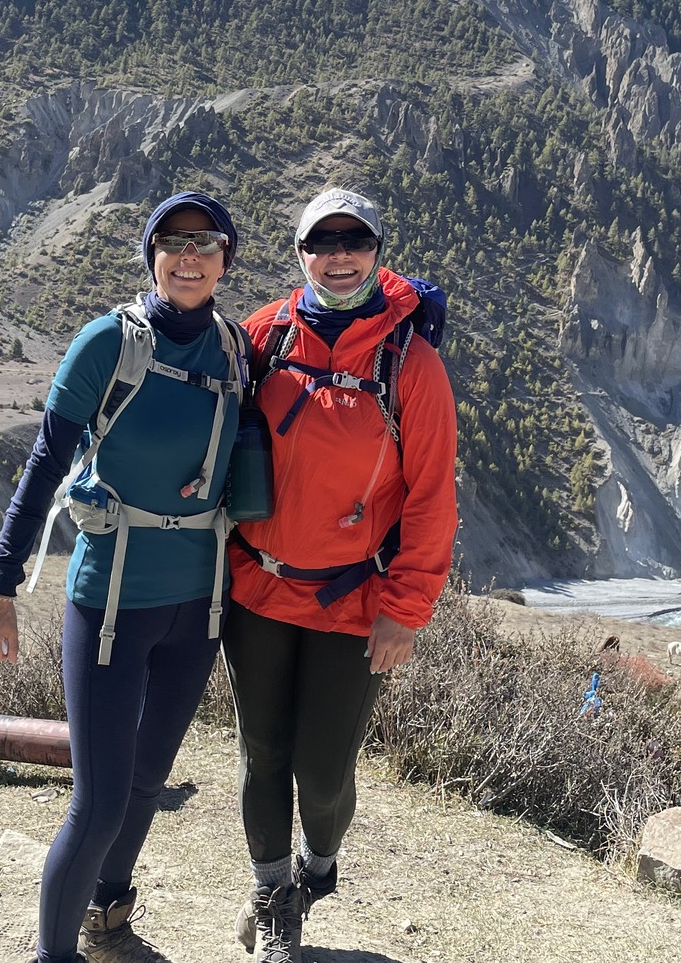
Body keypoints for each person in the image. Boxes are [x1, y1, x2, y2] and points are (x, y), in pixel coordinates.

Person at [0, 190, 250, 963]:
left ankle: (107, 911)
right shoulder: (108, 342)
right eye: (172, 242)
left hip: (199, 609)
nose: (188, 256)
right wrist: (1, 586)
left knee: (147, 782)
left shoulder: (235, 350)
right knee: (97, 804)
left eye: (205, 242)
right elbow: (45, 465)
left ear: (227, 258)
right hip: (113, 604)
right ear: (151, 256)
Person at [225, 187, 458, 963]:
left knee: (323, 773)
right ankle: (272, 897)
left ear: (378, 251)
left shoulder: (409, 362)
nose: (339, 254)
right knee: (264, 755)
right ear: (300, 255)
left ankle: (317, 865)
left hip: (353, 600)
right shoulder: (262, 336)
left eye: (354, 240)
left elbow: (431, 495)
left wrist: (407, 608)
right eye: (323, 242)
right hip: (257, 586)